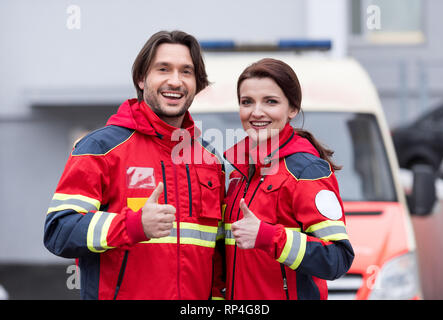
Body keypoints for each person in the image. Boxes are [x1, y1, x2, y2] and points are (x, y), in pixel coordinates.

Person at [44, 30, 225, 300]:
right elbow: (59, 231)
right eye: (163, 69)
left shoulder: (210, 160)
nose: (175, 81)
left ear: (197, 84)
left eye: (186, 72)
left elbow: (218, 257)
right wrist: (133, 225)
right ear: (141, 79)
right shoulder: (100, 148)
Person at [222, 58, 354, 300]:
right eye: (246, 102)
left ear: (292, 109)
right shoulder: (236, 175)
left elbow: (337, 259)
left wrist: (268, 236)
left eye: (270, 101)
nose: (256, 112)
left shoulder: (307, 171)